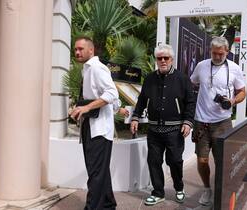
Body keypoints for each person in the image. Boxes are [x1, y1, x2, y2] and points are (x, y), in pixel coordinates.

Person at [130, 44, 196, 206]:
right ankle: (158, 192)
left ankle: (179, 188)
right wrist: (135, 117)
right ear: (156, 60)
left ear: (171, 59)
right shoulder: (150, 78)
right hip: (153, 130)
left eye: (166, 58)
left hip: (175, 130)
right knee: (154, 161)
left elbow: (190, 102)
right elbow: (142, 100)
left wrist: (188, 122)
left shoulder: (182, 78)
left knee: (174, 161)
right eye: (160, 58)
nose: (163, 61)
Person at [190, 36, 246, 206]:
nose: (217, 57)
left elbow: (242, 91)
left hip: (223, 122)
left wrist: (233, 101)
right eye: (214, 53)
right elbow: (192, 82)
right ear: (210, 51)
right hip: (201, 121)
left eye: (221, 54)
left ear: (227, 52)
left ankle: (222, 191)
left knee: (222, 161)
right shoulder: (201, 66)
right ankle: (207, 189)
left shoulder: (235, 69)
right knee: (202, 160)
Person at [70, 36, 119, 210]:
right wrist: (79, 108)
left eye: (81, 49)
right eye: (75, 49)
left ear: (91, 50)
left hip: (99, 130)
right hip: (90, 127)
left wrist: (86, 107)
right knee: (100, 171)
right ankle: (108, 204)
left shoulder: (97, 68)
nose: (77, 52)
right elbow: (112, 101)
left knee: (96, 173)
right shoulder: (87, 69)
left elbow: (112, 93)